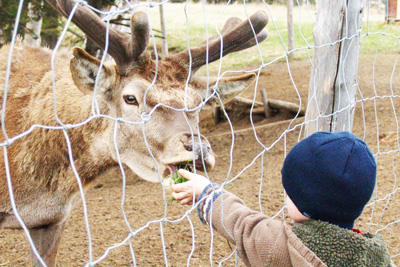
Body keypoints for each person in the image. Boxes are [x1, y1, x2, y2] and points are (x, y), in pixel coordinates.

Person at [171, 131, 394, 267]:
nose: (285, 194)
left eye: (290, 191)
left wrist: (205, 192)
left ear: (305, 204)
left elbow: (240, 223)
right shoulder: (378, 257)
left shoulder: (282, 246)